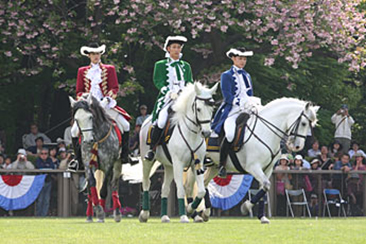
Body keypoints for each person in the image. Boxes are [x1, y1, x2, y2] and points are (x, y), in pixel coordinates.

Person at [71, 42, 136, 166]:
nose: (96, 56)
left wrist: (107, 99)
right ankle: (77, 159)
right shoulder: (82, 71)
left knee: (126, 125)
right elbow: (79, 91)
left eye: (97, 53)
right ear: (89, 55)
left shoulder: (109, 69)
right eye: (93, 54)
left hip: (105, 105)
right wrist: (84, 100)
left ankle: (125, 155)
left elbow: (114, 88)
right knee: (74, 131)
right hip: (88, 107)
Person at [145, 36, 193, 161]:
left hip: (184, 98)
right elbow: (158, 81)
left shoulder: (186, 65)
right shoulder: (160, 65)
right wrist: (169, 92)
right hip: (168, 98)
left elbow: (190, 82)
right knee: (161, 120)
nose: (177, 50)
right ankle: (152, 149)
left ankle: (201, 150)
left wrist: (187, 93)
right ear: (168, 49)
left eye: (179, 47)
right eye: (174, 47)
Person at [211, 47, 254, 178]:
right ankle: (222, 164)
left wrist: (251, 103)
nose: (243, 61)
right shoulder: (226, 75)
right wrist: (240, 102)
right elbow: (227, 96)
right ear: (234, 59)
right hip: (232, 110)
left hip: (248, 108)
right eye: (240, 59)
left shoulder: (247, 75)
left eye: (244, 59)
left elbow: (250, 93)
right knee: (229, 135)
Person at [35, 148, 55, 216]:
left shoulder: (50, 160)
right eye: (42, 153)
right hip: (40, 183)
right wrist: (46, 168)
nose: (44, 155)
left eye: (45, 154)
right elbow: (39, 167)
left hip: (48, 181)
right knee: (40, 200)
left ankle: (44, 215)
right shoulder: (38, 160)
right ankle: (38, 215)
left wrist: (45, 169)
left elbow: (52, 167)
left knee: (46, 200)